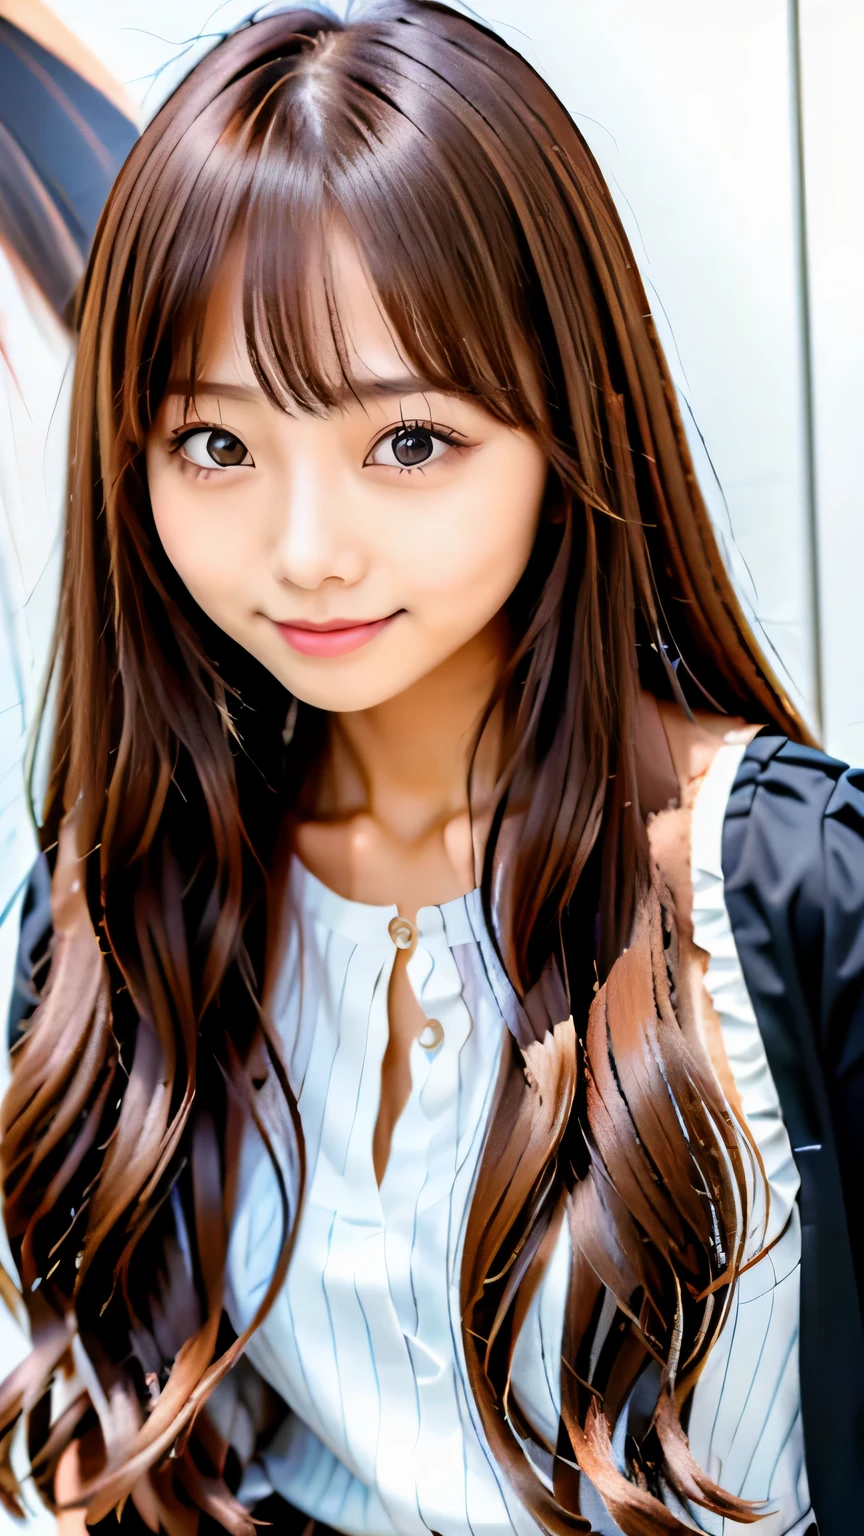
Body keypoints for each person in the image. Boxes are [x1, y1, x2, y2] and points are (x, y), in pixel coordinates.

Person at [1, 4, 861, 1533]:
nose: (308, 549)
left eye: (407, 442)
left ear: (568, 426)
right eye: (215, 445)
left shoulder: (794, 888)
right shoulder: (124, 900)